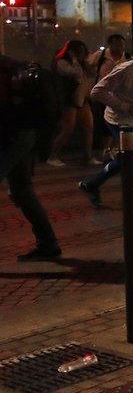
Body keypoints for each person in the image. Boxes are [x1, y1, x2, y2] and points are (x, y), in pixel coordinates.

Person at [78, 37, 133, 208]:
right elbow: (97, 91)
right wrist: (124, 106)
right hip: (118, 120)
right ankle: (132, 203)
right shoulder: (124, 69)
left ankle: (92, 185)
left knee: (126, 160)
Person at [1, 56, 63, 261]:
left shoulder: (6, 70)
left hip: (10, 136)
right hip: (25, 134)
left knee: (23, 191)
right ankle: (48, 243)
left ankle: (48, 243)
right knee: (22, 191)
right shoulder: (12, 65)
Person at [48, 40, 98, 167]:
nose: (82, 54)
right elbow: (76, 73)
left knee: (89, 127)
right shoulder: (62, 63)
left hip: (82, 97)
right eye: (79, 52)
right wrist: (75, 60)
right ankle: (52, 155)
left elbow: (92, 74)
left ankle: (88, 156)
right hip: (69, 98)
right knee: (68, 128)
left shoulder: (83, 64)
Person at [88, 34, 131, 159]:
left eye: (122, 44)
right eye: (117, 44)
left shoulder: (127, 58)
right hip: (103, 94)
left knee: (119, 120)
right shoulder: (101, 56)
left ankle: (115, 148)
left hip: (119, 95)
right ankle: (106, 149)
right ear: (110, 44)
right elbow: (88, 65)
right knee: (105, 121)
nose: (120, 47)